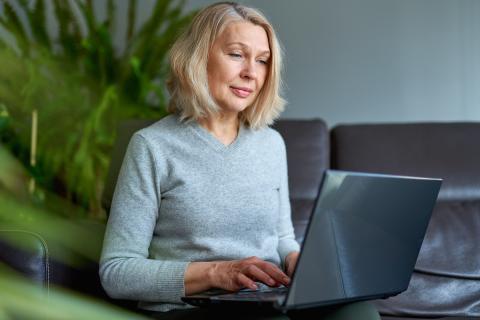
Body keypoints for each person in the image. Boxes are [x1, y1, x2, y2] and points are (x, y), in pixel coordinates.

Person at [99, 2, 380, 320]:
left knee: (358, 313)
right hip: (192, 308)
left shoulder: (272, 144)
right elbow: (117, 272)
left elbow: (282, 237)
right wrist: (217, 273)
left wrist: (297, 260)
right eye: (236, 54)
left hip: (264, 300)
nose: (251, 72)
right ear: (198, 58)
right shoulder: (152, 146)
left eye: (262, 61)